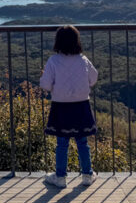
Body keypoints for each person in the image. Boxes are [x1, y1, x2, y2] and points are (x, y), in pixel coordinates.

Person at [40, 25, 98, 188]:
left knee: (62, 143)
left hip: (61, 106)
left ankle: (60, 177)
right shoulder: (83, 59)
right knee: (82, 141)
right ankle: (87, 174)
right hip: (81, 105)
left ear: (58, 41)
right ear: (76, 41)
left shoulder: (53, 61)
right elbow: (93, 78)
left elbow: (45, 84)